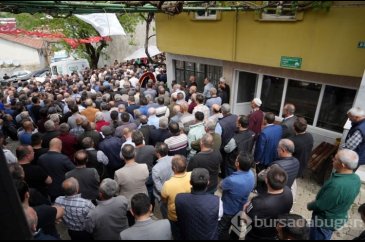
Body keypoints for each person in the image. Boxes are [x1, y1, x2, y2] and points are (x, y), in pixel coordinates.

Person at [307, 149, 361, 240]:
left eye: (335, 159)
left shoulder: (337, 186)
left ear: (343, 165)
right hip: (338, 216)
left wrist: (310, 205)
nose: (332, 160)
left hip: (324, 222)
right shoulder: (356, 178)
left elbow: (321, 205)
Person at [244, 164, 293, 240]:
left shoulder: (258, 203)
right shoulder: (288, 192)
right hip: (274, 232)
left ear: (266, 180)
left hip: (257, 235)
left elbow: (247, 219)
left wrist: (245, 209)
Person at [175, 168, 223, 240]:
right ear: (208, 182)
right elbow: (218, 218)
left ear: (190, 182)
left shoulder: (179, 198)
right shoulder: (217, 201)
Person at [218, 153, 256, 240]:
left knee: (222, 230)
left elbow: (221, 186)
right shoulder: (251, 174)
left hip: (228, 210)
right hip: (241, 207)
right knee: (236, 229)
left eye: (236, 159)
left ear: (237, 164)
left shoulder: (231, 180)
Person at [114, 144, 149, 224]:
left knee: (132, 223)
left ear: (122, 156)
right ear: (135, 153)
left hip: (128, 204)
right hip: (144, 198)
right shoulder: (144, 167)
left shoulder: (118, 173)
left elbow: (116, 191)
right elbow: (145, 180)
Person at [161, 155, 192, 239]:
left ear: (173, 168)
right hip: (190, 212)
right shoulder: (192, 175)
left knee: (177, 234)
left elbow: (164, 200)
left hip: (175, 216)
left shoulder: (167, 184)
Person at [152, 142, 174, 219]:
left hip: (164, 198)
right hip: (175, 192)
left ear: (157, 153)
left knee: (166, 215)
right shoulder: (174, 159)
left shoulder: (155, 169)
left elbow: (159, 188)